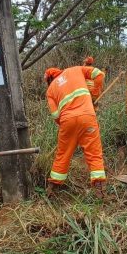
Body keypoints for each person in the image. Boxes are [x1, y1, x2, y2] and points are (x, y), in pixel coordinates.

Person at [44, 66, 106, 198]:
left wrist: (69, 127)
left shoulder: (50, 90)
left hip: (67, 122)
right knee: (94, 153)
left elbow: (55, 115)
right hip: (88, 117)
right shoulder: (75, 69)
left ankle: (52, 190)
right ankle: (99, 190)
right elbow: (99, 74)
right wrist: (94, 95)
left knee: (63, 155)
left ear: (49, 79)